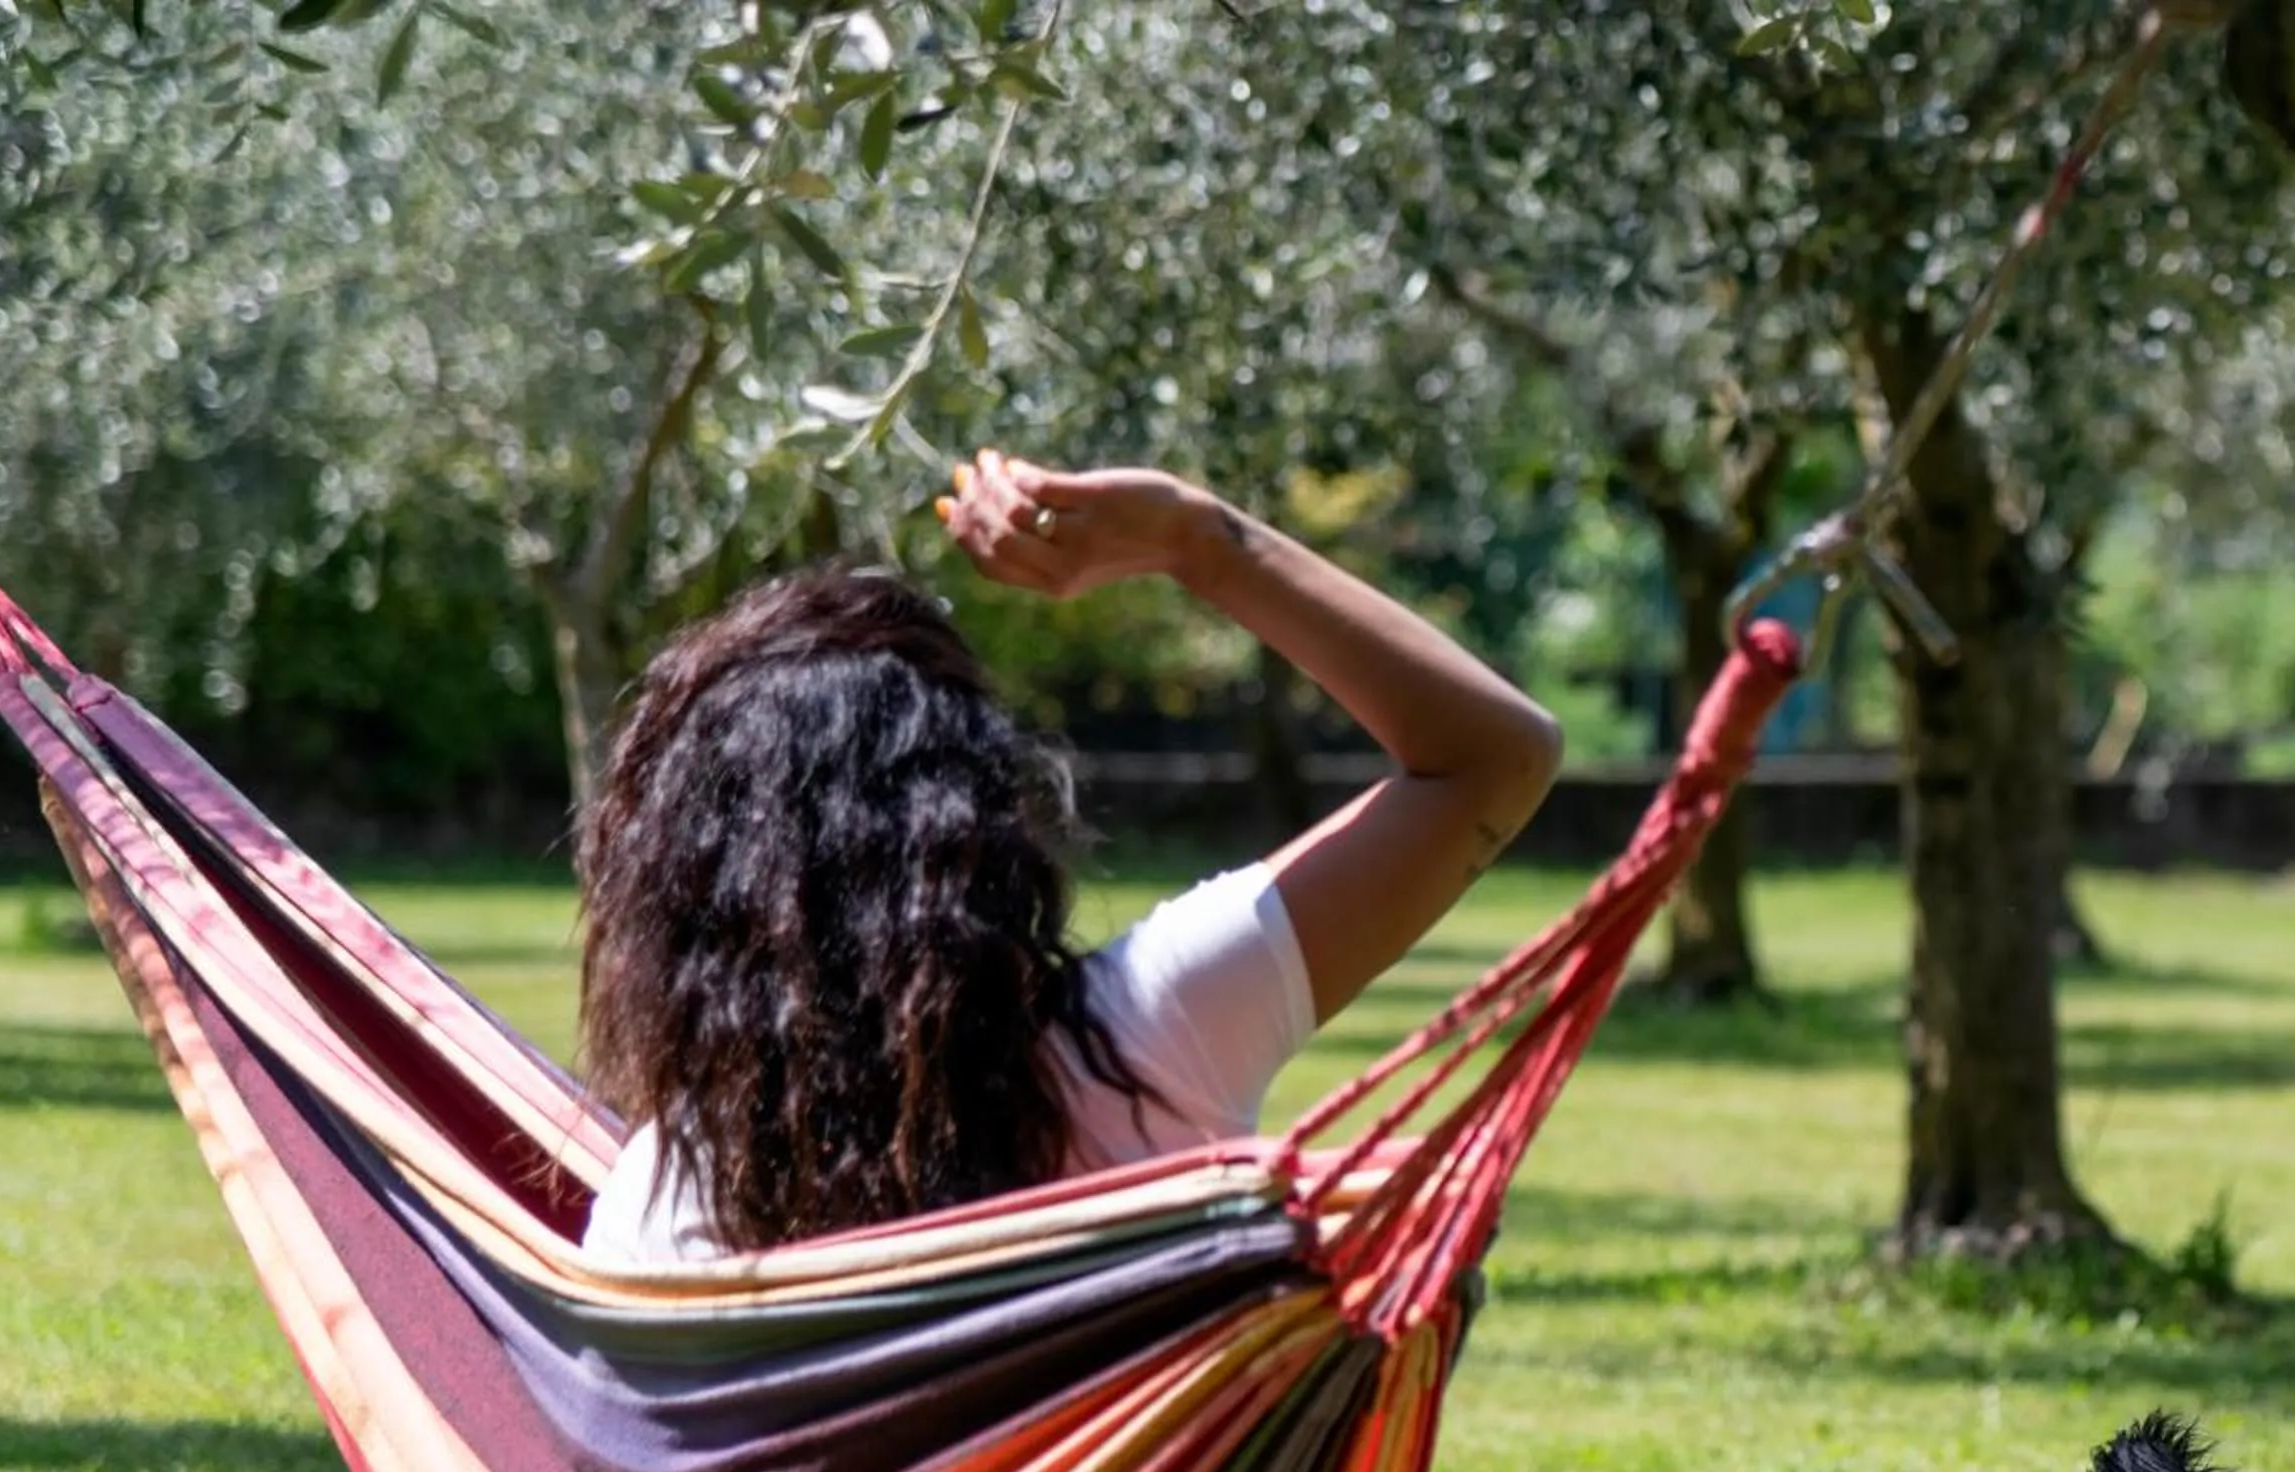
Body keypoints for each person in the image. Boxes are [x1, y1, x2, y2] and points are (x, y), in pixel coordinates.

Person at [577, 449, 1562, 1265]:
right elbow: (1494, 757)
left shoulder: (658, 1207)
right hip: (1108, 1461)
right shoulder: (1152, 1036)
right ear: (978, 823)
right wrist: (1193, 539)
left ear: (688, 890)